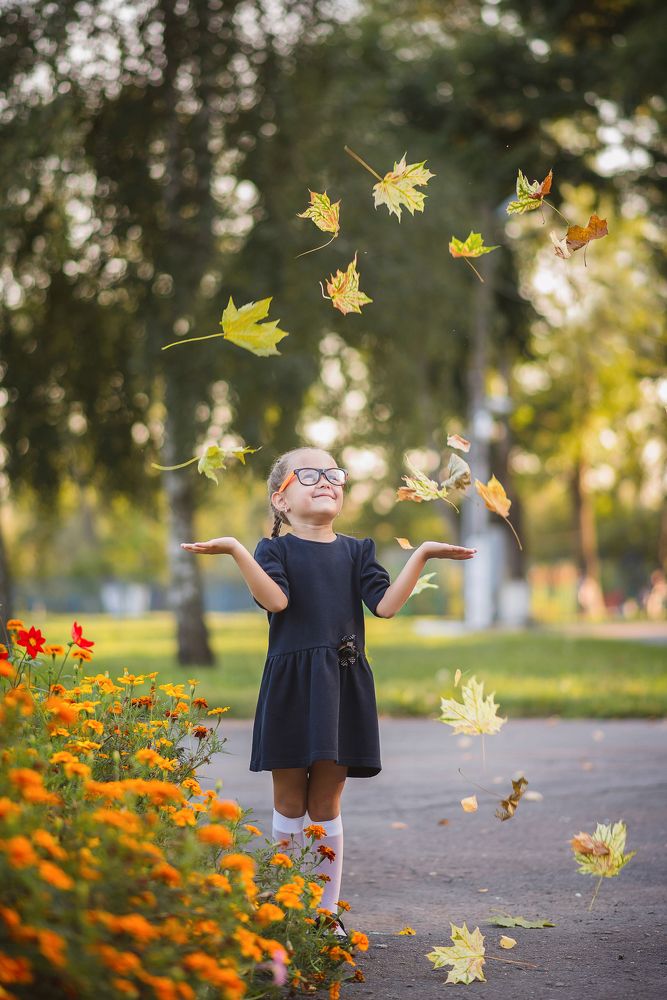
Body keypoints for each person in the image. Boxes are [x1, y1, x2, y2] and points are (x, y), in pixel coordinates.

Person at [181, 446, 477, 935]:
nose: (326, 480)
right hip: (292, 686)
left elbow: (383, 607)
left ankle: (323, 914)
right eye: (310, 474)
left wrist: (422, 553)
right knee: (289, 801)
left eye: (333, 473)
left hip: (342, 682)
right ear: (281, 500)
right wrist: (236, 548)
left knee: (327, 802)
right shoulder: (272, 550)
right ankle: (286, 906)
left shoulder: (357, 550)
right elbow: (275, 600)